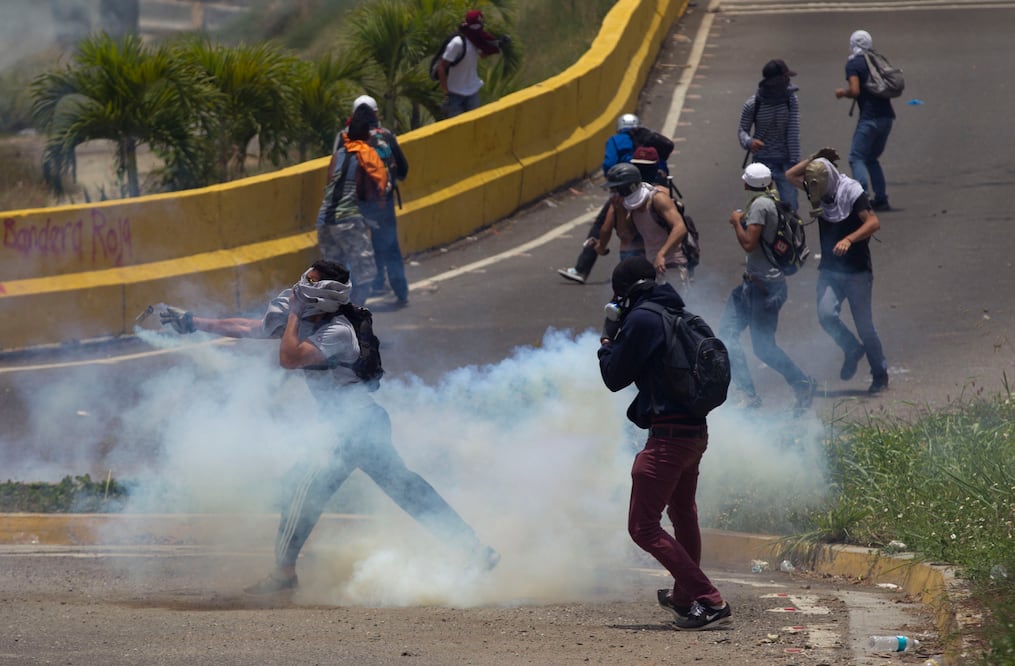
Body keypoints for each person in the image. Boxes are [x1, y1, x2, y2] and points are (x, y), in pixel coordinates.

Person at [158, 260, 499, 594]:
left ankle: (283, 577)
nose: (295, 291)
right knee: (404, 488)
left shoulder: (336, 332)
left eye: (305, 287)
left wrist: (293, 313)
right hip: (360, 424)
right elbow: (250, 328)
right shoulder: (310, 322)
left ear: (318, 300)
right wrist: (192, 322)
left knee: (300, 490)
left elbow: (288, 358)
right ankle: (473, 550)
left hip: (352, 427)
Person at [597, 256, 732, 631]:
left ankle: (708, 599)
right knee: (684, 513)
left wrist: (608, 338)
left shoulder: (642, 320)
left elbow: (612, 376)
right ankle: (685, 598)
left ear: (621, 294)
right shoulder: (679, 314)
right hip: (694, 433)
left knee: (642, 527)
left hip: (669, 439)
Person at [786, 150, 889, 393]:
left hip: (857, 272)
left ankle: (880, 374)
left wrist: (849, 240)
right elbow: (790, 175)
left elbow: (873, 222)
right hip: (831, 270)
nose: (816, 195)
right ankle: (851, 348)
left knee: (865, 326)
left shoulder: (852, 192)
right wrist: (814, 158)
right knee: (825, 315)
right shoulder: (817, 187)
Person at [718, 163, 815, 410]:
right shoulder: (770, 199)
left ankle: (801, 382)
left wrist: (735, 223)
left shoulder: (760, 205)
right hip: (754, 285)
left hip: (763, 289)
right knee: (727, 335)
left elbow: (749, 243)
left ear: (746, 184)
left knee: (763, 348)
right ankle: (747, 394)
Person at [557, 114, 668, 285]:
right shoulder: (650, 142)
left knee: (601, 224)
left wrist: (601, 246)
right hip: (664, 254)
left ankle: (581, 268)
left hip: (628, 191)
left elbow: (609, 164)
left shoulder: (616, 141)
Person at [317, 104, 389, 306]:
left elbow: (329, 185)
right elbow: (366, 193)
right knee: (366, 275)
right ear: (368, 135)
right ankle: (353, 321)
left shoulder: (337, 154)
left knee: (332, 279)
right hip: (348, 221)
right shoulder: (366, 157)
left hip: (324, 220)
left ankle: (329, 324)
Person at [347, 95, 411, 306]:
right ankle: (400, 291)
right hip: (383, 202)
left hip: (356, 204)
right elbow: (403, 168)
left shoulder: (348, 138)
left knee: (356, 248)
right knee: (389, 244)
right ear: (376, 114)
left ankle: (358, 296)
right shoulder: (386, 135)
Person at [601, 163, 689, 291]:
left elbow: (680, 227)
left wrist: (662, 254)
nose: (613, 194)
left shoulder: (657, 199)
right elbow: (627, 235)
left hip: (672, 265)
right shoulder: (630, 208)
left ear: (628, 188)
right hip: (653, 268)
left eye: (615, 190)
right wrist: (619, 210)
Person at [834, 30, 894, 211]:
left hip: (870, 118)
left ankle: (862, 198)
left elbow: (855, 90)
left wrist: (842, 93)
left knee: (855, 157)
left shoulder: (854, 63)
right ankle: (881, 198)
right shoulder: (875, 59)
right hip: (887, 117)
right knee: (871, 158)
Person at [737, 59, 801, 211]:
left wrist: (795, 163)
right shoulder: (753, 104)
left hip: (785, 163)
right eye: (785, 77)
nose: (788, 81)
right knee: (758, 209)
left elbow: (793, 132)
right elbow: (742, 130)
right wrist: (749, 142)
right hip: (761, 162)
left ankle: (792, 234)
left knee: (790, 208)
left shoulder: (791, 100)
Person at [435, 10, 504, 118]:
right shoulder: (457, 43)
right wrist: (446, 92)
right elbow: (441, 66)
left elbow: (482, 54)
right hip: (455, 94)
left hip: (472, 91)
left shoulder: (476, 39)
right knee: (456, 128)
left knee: (474, 126)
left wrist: (496, 45)